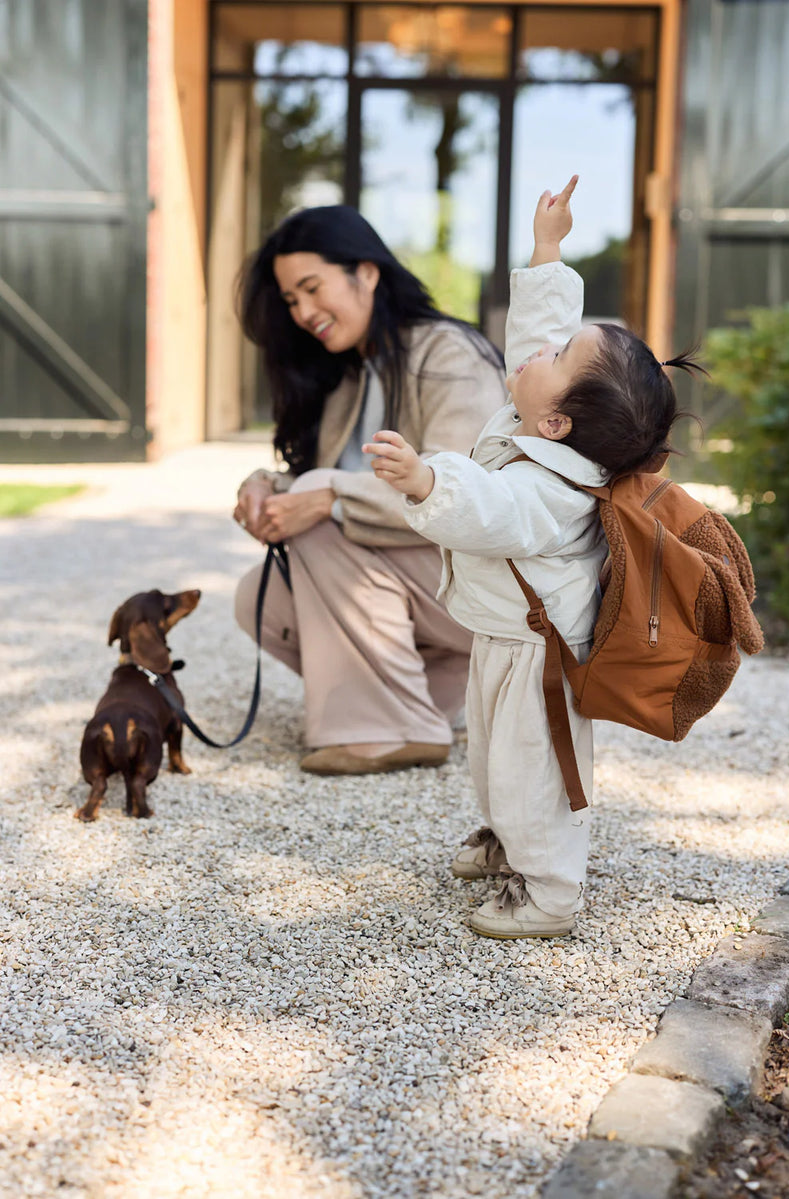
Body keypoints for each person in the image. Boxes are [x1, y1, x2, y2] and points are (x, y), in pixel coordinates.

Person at [363, 175, 697, 939]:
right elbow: (538, 339)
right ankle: (506, 841)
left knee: (531, 770)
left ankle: (550, 890)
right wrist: (549, 248)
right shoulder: (542, 416)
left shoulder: (553, 490)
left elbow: (492, 510)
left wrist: (425, 479)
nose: (537, 349)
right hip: (504, 633)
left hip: (538, 651)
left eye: (555, 355)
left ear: (555, 421)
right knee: (489, 756)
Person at [232, 204, 511, 775]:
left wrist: (326, 498)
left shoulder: (447, 354)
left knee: (319, 512)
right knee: (260, 598)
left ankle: (393, 729)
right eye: (291, 301)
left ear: (367, 272)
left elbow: (470, 491)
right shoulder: (352, 374)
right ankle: (435, 703)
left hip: (483, 587)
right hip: (422, 586)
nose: (305, 312)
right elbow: (337, 476)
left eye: (312, 289)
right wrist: (266, 488)